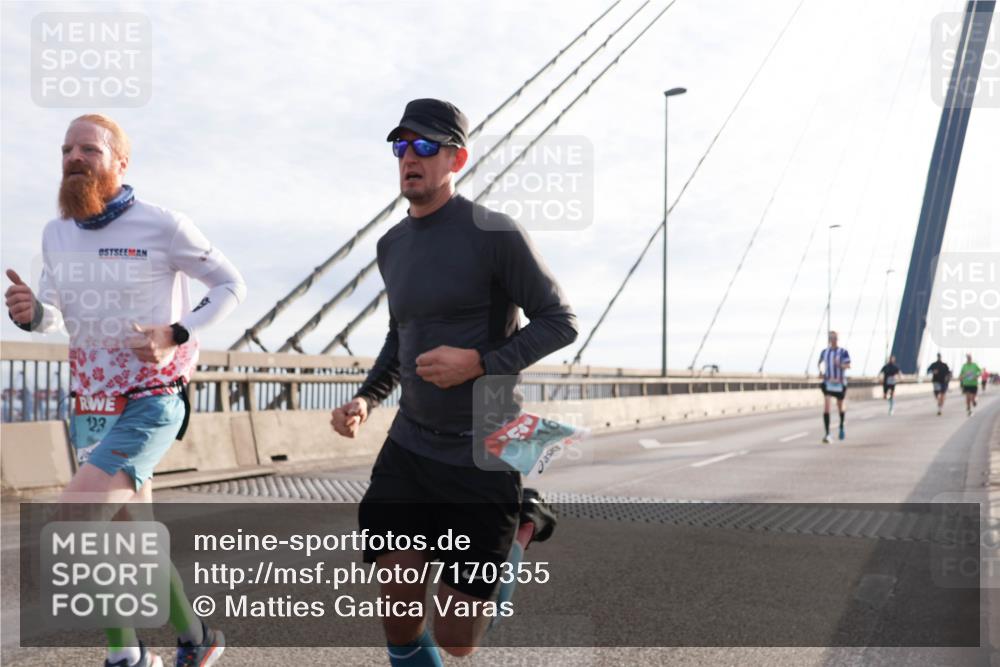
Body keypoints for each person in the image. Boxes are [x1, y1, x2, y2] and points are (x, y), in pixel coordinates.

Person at [330, 98, 577, 665]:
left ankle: (522, 523)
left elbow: (560, 321)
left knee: (456, 640)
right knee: (397, 609)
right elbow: (402, 336)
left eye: (424, 146)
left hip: (482, 450)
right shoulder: (391, 246)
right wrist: (367, 398)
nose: (409, 157)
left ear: (456, 158)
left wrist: (481, 363)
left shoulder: (493, 233)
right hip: (410, 446)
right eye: (401, 145)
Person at [4, 114, 245, 667]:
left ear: (119, 162)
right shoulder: (55, 232)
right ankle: (196, 639)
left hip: (153, 395)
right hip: (91, 402)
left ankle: (126, 655)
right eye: (66, 150)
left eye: (87, 149)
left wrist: (176, 332)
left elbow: (231, 284)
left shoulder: (163, 226)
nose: (73, 158)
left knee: (77, 521)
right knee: (128, 532)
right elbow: (56, 314)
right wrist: (32, 313)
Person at [817, 331, 851, 443]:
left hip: (840, 384)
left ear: (838, 339)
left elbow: (848, 365)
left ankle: (841, 425)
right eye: (831, 337)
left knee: (840, 406)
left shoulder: (843, 352)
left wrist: (839, 365)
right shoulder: (824, 352)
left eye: (835, 337)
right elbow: (819, 364)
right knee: (827, 406)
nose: (833, 339)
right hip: (828, 383)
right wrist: (821, 372)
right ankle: (827, 434)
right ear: (829, 339)